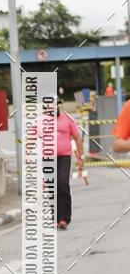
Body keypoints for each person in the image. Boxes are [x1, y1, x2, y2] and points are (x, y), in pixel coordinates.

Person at [56, 98, 84, 229]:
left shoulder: (67, 119)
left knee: (63, 184)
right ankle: (55, 217)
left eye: (56, 105)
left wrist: (80, 157)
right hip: (47, 159)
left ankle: (64, 218)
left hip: (64, 157)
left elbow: (78, 138)